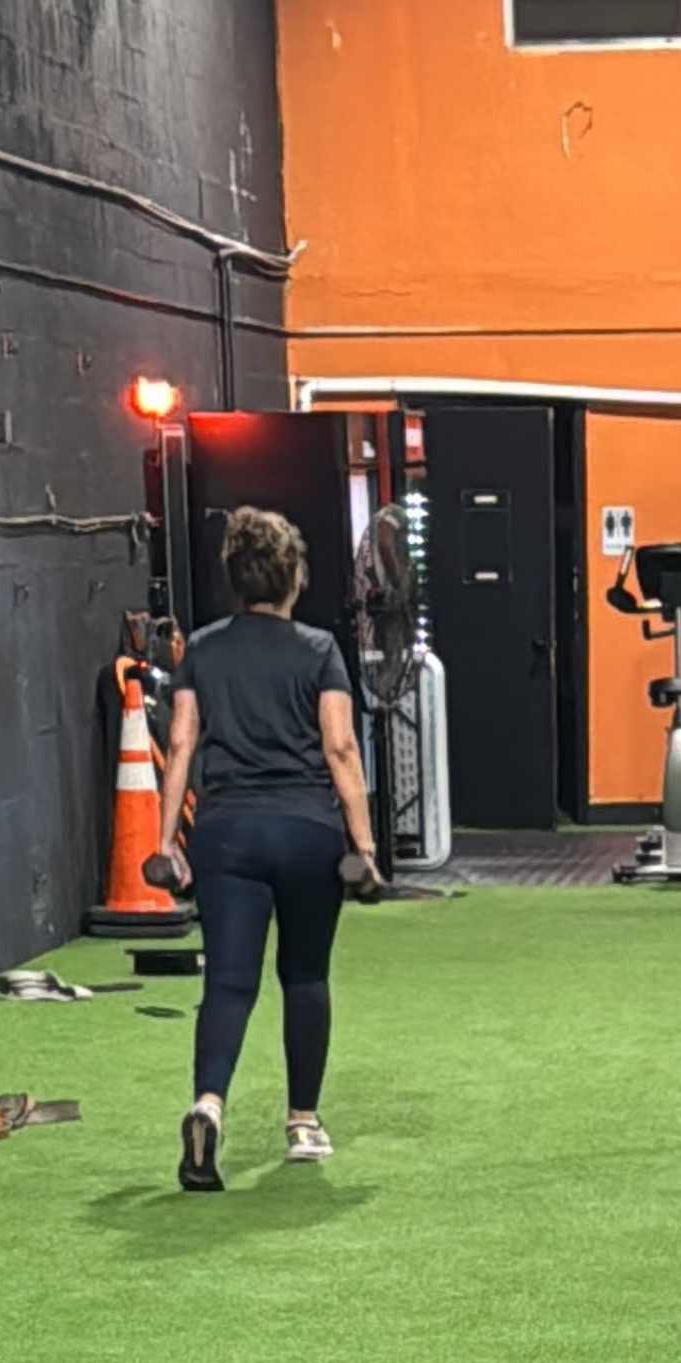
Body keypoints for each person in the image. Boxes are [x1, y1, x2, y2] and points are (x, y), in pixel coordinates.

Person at [151, 504, 382, 1190]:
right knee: (304, 976)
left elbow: (182, 744)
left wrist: (168, 840)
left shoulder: (204, 648)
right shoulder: (318, 651)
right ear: (294, 578)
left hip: (226, 833)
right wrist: (363, 846)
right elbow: (339, 748)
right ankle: (302, 1122)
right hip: (307, 830)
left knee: (227, 981)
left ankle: (208, 1104)